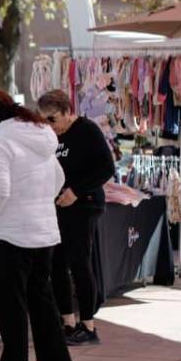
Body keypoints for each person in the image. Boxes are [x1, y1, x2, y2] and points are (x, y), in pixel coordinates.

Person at [0, 89, 73, 361]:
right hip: (43, 230)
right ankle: (54, 359)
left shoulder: (0, 142)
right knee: (41, 297)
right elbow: (58, 178)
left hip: (12, 232)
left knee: (12, 303)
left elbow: (0, 191)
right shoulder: (41, 135)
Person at [38, 91, 115, 346]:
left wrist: (77, 191)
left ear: (68, 111)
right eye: (44, 120)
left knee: (79, 262)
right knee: (57, 263)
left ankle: (88, 324)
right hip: (56, 206)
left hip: (84, 205)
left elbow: (106, 168)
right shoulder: (49, 135)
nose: (51, 125)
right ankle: (68, 322)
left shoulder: (87, 131)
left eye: (53, 119)